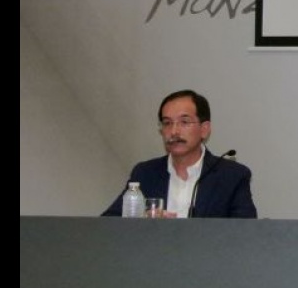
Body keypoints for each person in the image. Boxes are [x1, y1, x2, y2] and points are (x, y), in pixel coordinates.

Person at [101, 89, 258, 218]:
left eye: (184, 122)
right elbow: (108, 223)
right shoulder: (145, 173)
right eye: (167, 123)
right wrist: (143, 221)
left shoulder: (232, 176)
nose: (174, 132)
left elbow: (245, 234)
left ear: (204, 129)